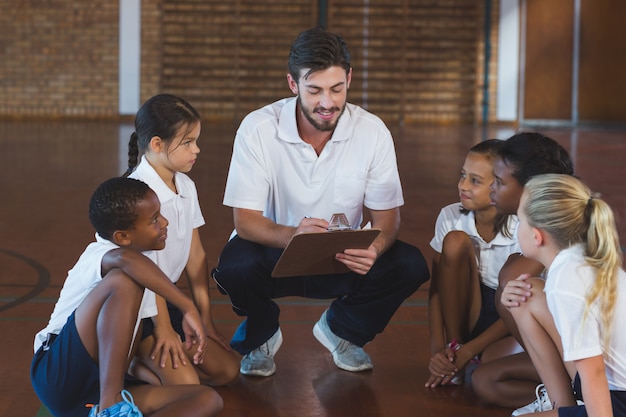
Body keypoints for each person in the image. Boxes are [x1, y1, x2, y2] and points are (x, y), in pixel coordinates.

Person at [211, 26, 430, 377]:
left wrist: (374, 247)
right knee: (233, 267)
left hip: (342, 258)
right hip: (277, 252)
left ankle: (342, 331)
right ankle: (261, 334)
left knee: (409, 263)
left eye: (336, 88)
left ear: (349, 80)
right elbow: (245, 221)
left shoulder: (372, 131)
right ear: (292, 84)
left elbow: (387, 219)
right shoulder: (258, 128)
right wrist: (292, 235)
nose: (327, 103)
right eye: (314, 90)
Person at [30, 177, 223, 417]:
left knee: (206, 399)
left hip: (94, 394)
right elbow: (123, 261)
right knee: (124, 281)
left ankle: (108, 407)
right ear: (122, 237)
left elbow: (124, 340)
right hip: (57, 376)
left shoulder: (143, 265)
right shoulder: (100, 255)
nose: (164, 222)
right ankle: (110, 408)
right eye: (154, 220)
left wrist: (144, 375)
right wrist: (187, 307)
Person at [124, 93, 240, 387]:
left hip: (168, 299)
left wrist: (205, 319)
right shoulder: (138, 195)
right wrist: (163, 329)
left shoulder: (186, 184)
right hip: (137, 310)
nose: (196, 150)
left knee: (226, 371)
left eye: (196, 141)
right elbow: (146, 274)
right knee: (187, 385)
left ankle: (156, 363)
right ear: (157, 145)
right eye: (188, 142)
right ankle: (130, 362)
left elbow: (196, 255)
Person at [503, 173, 626, 416]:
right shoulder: (578, 257)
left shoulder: (566, 281)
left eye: (519, 220)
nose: (518, 226)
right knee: (528, 293)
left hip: (616, 396)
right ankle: (563, 406)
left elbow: (594, 372)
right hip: (611, 387)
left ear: (537, 235)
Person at [471, 132, 576, 409]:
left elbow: (511, 281)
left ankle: (569, 399)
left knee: (521, 290)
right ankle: (562, 397)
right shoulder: (530, 225)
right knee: (486, 374)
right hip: (565, 350)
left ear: (530, 190)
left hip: (593, 364)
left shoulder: (557, 229)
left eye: (501, 182)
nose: (491, 187)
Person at [426, 139, 520, 388]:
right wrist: (438, 350)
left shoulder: (522, 227)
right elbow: (437, 289)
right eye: (462, 175)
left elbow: (518, 304)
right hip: (470, 309)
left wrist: (472, 351)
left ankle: (471, 353)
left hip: (509, 318)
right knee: (455, 241)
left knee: (489, 368)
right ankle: (453, 349)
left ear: (500, 184)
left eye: (475, 181)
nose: (462, 185)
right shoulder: (450, 215)